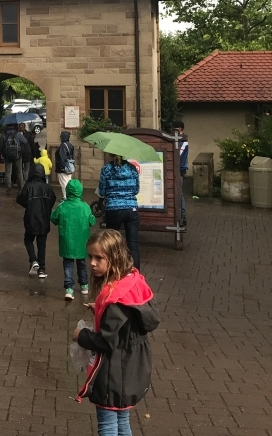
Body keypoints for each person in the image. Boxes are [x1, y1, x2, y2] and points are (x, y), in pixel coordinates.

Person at [74, 228, 160, 436]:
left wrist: (81, 336)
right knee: (122, 421)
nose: (92, 263)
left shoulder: (114, 299)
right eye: (90, 257)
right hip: (131, 366)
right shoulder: (133, 281)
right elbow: (129, 319)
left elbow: (106, 341)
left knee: (108, 426)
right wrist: (102, 310)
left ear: (114, 258)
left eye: (99, 258)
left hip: (114, 371)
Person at [50, 178, 96, 301]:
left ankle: (69, 289)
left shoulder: (62, 206)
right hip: (82, 241)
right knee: (82, 263)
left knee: (68, 264)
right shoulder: (85, 206)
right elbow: (92, 221)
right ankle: (84, 285)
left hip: (67, 240)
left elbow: (53, 218)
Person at [98, 154, 142, 269]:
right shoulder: (132, 169)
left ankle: (112, 270)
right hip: (131, 208)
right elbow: (136, 190)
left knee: (111, 243)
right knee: (132, 244)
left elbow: (102, 191)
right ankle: (135, 274)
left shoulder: (107, 169)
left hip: (113, 209)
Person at [15, 163, 56, 278]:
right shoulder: (47, 188)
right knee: (42, 244)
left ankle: (33, 260)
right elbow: (52, 199)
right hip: (44, 218)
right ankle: (42, 269)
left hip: (31, 218)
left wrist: (29, 205)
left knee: (28, 239)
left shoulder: (28, 186)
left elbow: (21, 199)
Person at [0, 125, 24, 191]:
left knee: (8, 173)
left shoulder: (4, 134)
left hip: (8, 156)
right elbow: (25, 141)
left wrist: (4, 155)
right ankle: (21, 188)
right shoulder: (18, 134)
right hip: (17, 156)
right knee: (19, 172)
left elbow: (1, 147)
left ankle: (8, 189)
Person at [174, 121, 189, 226]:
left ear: (180, 129)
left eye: (176, 129)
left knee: (179, 191)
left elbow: (177, 154)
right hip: (178, 168)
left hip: (179, 169)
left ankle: (182, 214)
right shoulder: (177, 140)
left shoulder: (183, 141)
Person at [55, 131, 76, 196]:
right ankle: (69, 196)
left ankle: (66, 197)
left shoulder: (63, 146)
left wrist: (62, 167)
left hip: (63, 168)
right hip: (69, 166)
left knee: (64, 183)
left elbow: (62, 157)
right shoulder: (70, 145)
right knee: (68, 182)